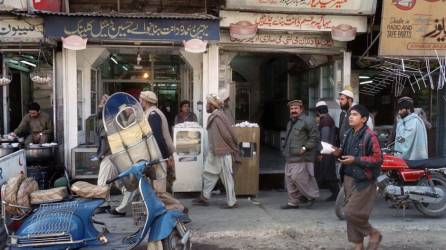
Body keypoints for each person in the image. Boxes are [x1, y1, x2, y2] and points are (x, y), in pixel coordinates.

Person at [332, 104, 383, 250]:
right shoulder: (349, 133)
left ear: (364, 119)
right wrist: (337, 152)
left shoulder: (370, 135)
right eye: (350, 114)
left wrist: (355, 160)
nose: (350, 117)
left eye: (354, 114)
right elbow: (346, 154)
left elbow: (378, 159)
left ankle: (373, 233)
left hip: (364, 180)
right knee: (354, 214)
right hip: (349, 178)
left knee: (350, 212)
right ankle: (358, 245)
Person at [192, 94, 240, 208]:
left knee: (227, 178)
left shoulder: (217, 117)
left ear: (212, 105)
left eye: (207, 104)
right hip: (215, 152)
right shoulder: (215, 116)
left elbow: (227, 135)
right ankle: (205, 197)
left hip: (222, 152)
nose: (206, 107)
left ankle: (232, 202)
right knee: (208, 174)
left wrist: (233, 148)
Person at [94, 95, 136, 217]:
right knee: (121, 182)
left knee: (105, 181)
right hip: (113, 154)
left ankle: (105, 204)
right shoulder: (105, 120)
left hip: (114, 154)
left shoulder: (116, 119)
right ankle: (119, 207)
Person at [281, 100, 320, 209]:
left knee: (298, 178)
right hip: (289, 156)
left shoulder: (308, 121)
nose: (293, 110)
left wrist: (305, 148)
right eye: (291, 108)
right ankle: (293, 203)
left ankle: (312, 195)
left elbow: (314, 138)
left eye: (296, 108)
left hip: (301, 156)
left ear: (301, 109)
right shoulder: (290, 122)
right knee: (289, 180)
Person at [140, 91, 176, 193]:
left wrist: (166, 157)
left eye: (141, 99)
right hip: (156, 156)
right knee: (157, 187)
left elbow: (157, 137)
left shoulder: (153, 114)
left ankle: (173, 207)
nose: (140, 101)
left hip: (158, 156)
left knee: (159, 189)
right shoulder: (150, 113)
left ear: (146, 101)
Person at [314, 100, 339, 201]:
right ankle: (336, 193)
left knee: (322, 173)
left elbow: (324, 138)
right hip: (329, 150)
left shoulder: (325, 121)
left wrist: (320, 152)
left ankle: (309, 195)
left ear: (318, 111)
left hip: (326, 151)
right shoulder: (328, 119)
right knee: (328, 174)